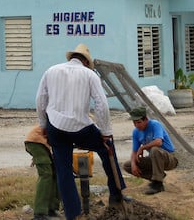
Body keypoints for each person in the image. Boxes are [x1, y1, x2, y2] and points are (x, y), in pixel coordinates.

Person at [36, 43, 126, 220]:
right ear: (85, 61)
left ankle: (73, 214)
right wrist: (106, 132)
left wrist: (44, 125)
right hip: (81, 127)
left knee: (63, 170)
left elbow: (40, 100)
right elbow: (101, 104)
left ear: (72, 58)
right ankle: (116, 194)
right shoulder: (89, 74)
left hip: (56, 126)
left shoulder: (51, 71)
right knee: (106, 148)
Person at [122, 106, 178, 194]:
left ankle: (157, 184)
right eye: (134, 123)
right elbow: (134, 151)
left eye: (139, 122)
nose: (136, 125)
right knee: (127, 165)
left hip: (169, 158)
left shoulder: (155, 124)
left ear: (146, 120)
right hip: (154, 159)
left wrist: (143, 147)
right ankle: (157, 177)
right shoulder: (136, 132)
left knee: (155, 150)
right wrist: (133, 165)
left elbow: (158, 142)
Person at [24, 124, 60, 220]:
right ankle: (40, 213)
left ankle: (51, 208)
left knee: (55, 173)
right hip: (37, 142)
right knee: (46, 174)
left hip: (41, 143)